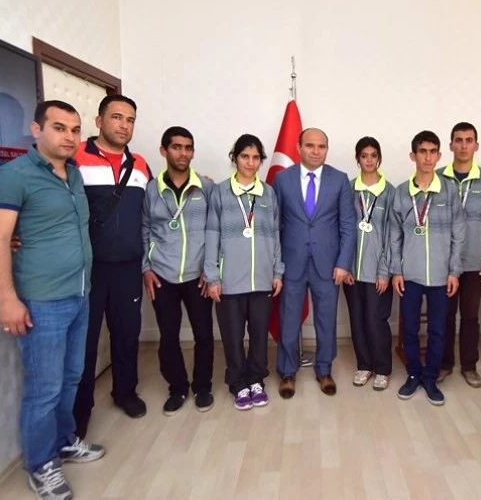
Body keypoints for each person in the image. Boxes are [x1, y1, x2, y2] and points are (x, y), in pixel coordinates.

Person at [0, 100, 105, 500]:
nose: (69, 136)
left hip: (79, 293)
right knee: (44, 388)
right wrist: (7, 299)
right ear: (37, 130)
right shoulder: (11, 176)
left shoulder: (74, 174)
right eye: (59, 127)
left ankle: (64, 440)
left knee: (71, 377)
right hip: (42, 300)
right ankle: (40, 465)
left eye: (75, 129)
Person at [73, 95, 152, 434]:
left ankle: (125, 392)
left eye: (130, 119)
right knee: (84, 342)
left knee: (127, 334)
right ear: (99, 121)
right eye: (117, 117)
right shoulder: (76, 158)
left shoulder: (141, 165)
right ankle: (80, 412)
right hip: (88, 268)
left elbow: (153, 210)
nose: (124, 125)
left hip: (128, 267)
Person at [272, 127, 357, 398]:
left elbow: (348, 225)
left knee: (326, 319)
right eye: (310, 145)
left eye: (321, 146)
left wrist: (343, 263)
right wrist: (276, 265)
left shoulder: (340, 180)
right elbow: (274, 225)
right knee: (288, 320)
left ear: (327, 150)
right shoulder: (282, 179)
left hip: (328, 265)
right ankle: (287, 372)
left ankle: (324, 369)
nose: (316, 151)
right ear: (299, 147)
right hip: (291, 262)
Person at [204, 134, 284, 410]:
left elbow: (275, 235)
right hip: (229, 281)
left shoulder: (268, 193)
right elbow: (211, 234)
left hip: (262, 279)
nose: (250, 163)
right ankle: (238, 383)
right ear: (235, 158)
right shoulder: (220, 192)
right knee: (233, 335)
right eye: (244, 156)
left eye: (255, 157)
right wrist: (212, 276)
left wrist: (278, 271)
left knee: (259, 334)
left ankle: (256, 379)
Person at [141, 126, 215, 416]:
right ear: (164, 151)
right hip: (163, 275)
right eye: (176, 147)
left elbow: (215, 230)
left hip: (198, 275)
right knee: (168, 337)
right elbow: (144, 229)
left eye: (188, 148)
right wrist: (146, 267)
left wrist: (210, 269)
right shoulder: (151, 189)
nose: (183, 153)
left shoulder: (205, 187)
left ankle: (203, 387)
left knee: (204, 335)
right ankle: (178, 388)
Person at [390, 130, 465, 406]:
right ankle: (413, 374)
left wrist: (454, 271)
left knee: (438, 329)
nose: (428, 157)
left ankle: (431, 377)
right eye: (422, 151)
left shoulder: (450, 190)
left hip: (441, 275)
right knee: (409, 328)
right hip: (410, 274)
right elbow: (394, 236)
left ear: (439, 155)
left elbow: (459, 234)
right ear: (413, 155)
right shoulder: (401, 192)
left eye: (433, 152)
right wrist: (396, 270)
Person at [437, 122, 481, 388]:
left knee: (470, 316)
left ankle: (469, 366)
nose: (463, 145)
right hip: (444, 261)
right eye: (458, 140)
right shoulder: (438, 177)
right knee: (445, 315)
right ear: (450, 145)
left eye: (468, 140)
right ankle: (444, 364)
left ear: (476, 145)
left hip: (474, 262)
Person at [343, 136, 395, 391]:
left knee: (376, 321)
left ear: (379, 158)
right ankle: (364, 365)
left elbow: (393, 235)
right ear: (357, 159)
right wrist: (345, 265)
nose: (369, 160)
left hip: (377, 272)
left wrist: (384, 271)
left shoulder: (390, 192)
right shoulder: (348, 190)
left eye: (373, 155)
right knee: (357, 320)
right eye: (364, 156)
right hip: (352, 272)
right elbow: (342, 230)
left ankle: (382, 368)